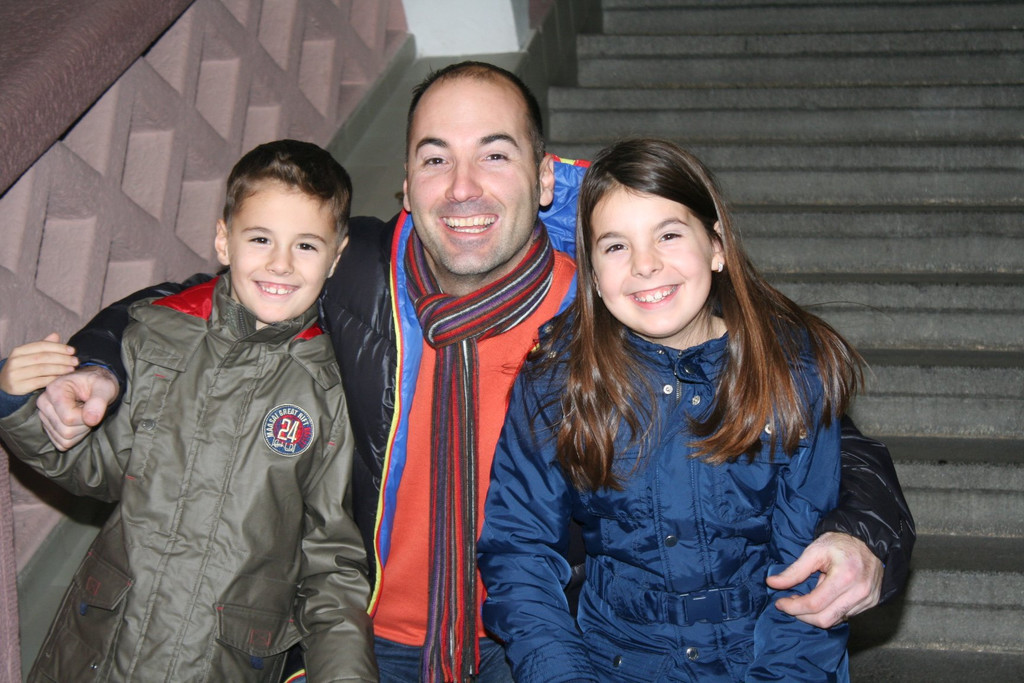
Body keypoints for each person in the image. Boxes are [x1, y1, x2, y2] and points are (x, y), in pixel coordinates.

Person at [28, 62, 913, 682]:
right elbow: (207, 298)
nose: (462, 187)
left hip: (537, 643)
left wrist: (866, 532)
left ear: (543, 178)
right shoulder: (351, 273)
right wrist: (99, 359)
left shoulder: (611, 301)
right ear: (405, 183)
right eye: (434, 158)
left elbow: (812, 426)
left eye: (494, 153)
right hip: (356, 638)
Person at [478, 138, 860, 681]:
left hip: (764, 658)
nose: (645, 265)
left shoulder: (792, 372)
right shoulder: (557, 380)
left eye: (669, 235)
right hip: (613, 662)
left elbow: (808, 574)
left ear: (716, 246)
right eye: (616, 246)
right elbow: (519, 552)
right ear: (593, 274)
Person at [0, 140, 376, 682]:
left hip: (221, 661)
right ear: (224, 239)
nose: (280, 263)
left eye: (306, 246)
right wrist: (15, 404)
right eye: (261, 238)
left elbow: (332, 566)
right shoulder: (159, 335)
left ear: (336, 257)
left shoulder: (332, 391)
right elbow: (92, 465)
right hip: (104, 647)